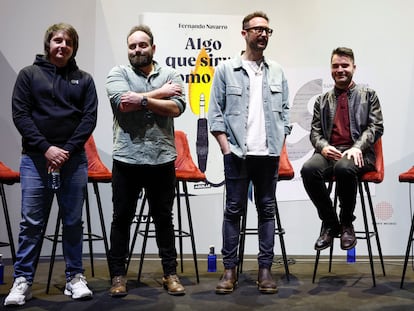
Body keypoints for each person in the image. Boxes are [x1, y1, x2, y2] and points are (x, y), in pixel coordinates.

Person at [4, 23, 98, 306]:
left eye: (68, 42)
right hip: (34, 160)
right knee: (31, 223)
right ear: (48, 44)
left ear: (74, 48)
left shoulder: (84, 79)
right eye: (58, 40)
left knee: (73, 221)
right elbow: (20, 116)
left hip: (73, 161)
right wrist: (47, 149)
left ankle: (74, 278)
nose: (63, 46)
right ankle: (22, 281)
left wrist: (65, 151)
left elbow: (89, 119)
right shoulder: (28, 75)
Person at [208, 11, 291, 294]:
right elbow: (215, 113)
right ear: (244, 33)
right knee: (233, 212)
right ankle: (229, 270)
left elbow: (286, 113)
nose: (263, 34)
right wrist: (225, 148)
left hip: (267, 155)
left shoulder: (277, 71)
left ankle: (265, 271)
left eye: (267, 30)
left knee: (266, 211)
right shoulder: (225, 70)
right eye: (257, 30)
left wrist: (281, 138)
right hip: (238, 155)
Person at [105, 25, 186, 297]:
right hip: (127, 159)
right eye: (132, 46)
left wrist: (141, 98)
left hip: (161, 158)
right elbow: (122, 104)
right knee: (121, 220)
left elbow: (176, 108)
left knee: (164, 219)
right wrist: (160, 94)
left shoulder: (170, 74)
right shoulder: (118, 74)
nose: (137, 50)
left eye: (142, 45)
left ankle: (170, 274)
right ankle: (118, 276)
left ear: (153, 48)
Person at [301, 47, 384, 252]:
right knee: (308, 170)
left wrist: (357, 147)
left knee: (344, 168)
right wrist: (324, 147)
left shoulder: (369, 95)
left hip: (359, 154)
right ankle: (331, 223)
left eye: (345, 65)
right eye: (336, 66)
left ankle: (347, 222)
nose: (340, 70)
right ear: (331, 69)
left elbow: (376, 126)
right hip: (330, 153)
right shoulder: (321, 101)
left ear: (353, 68)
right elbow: (315, 133)